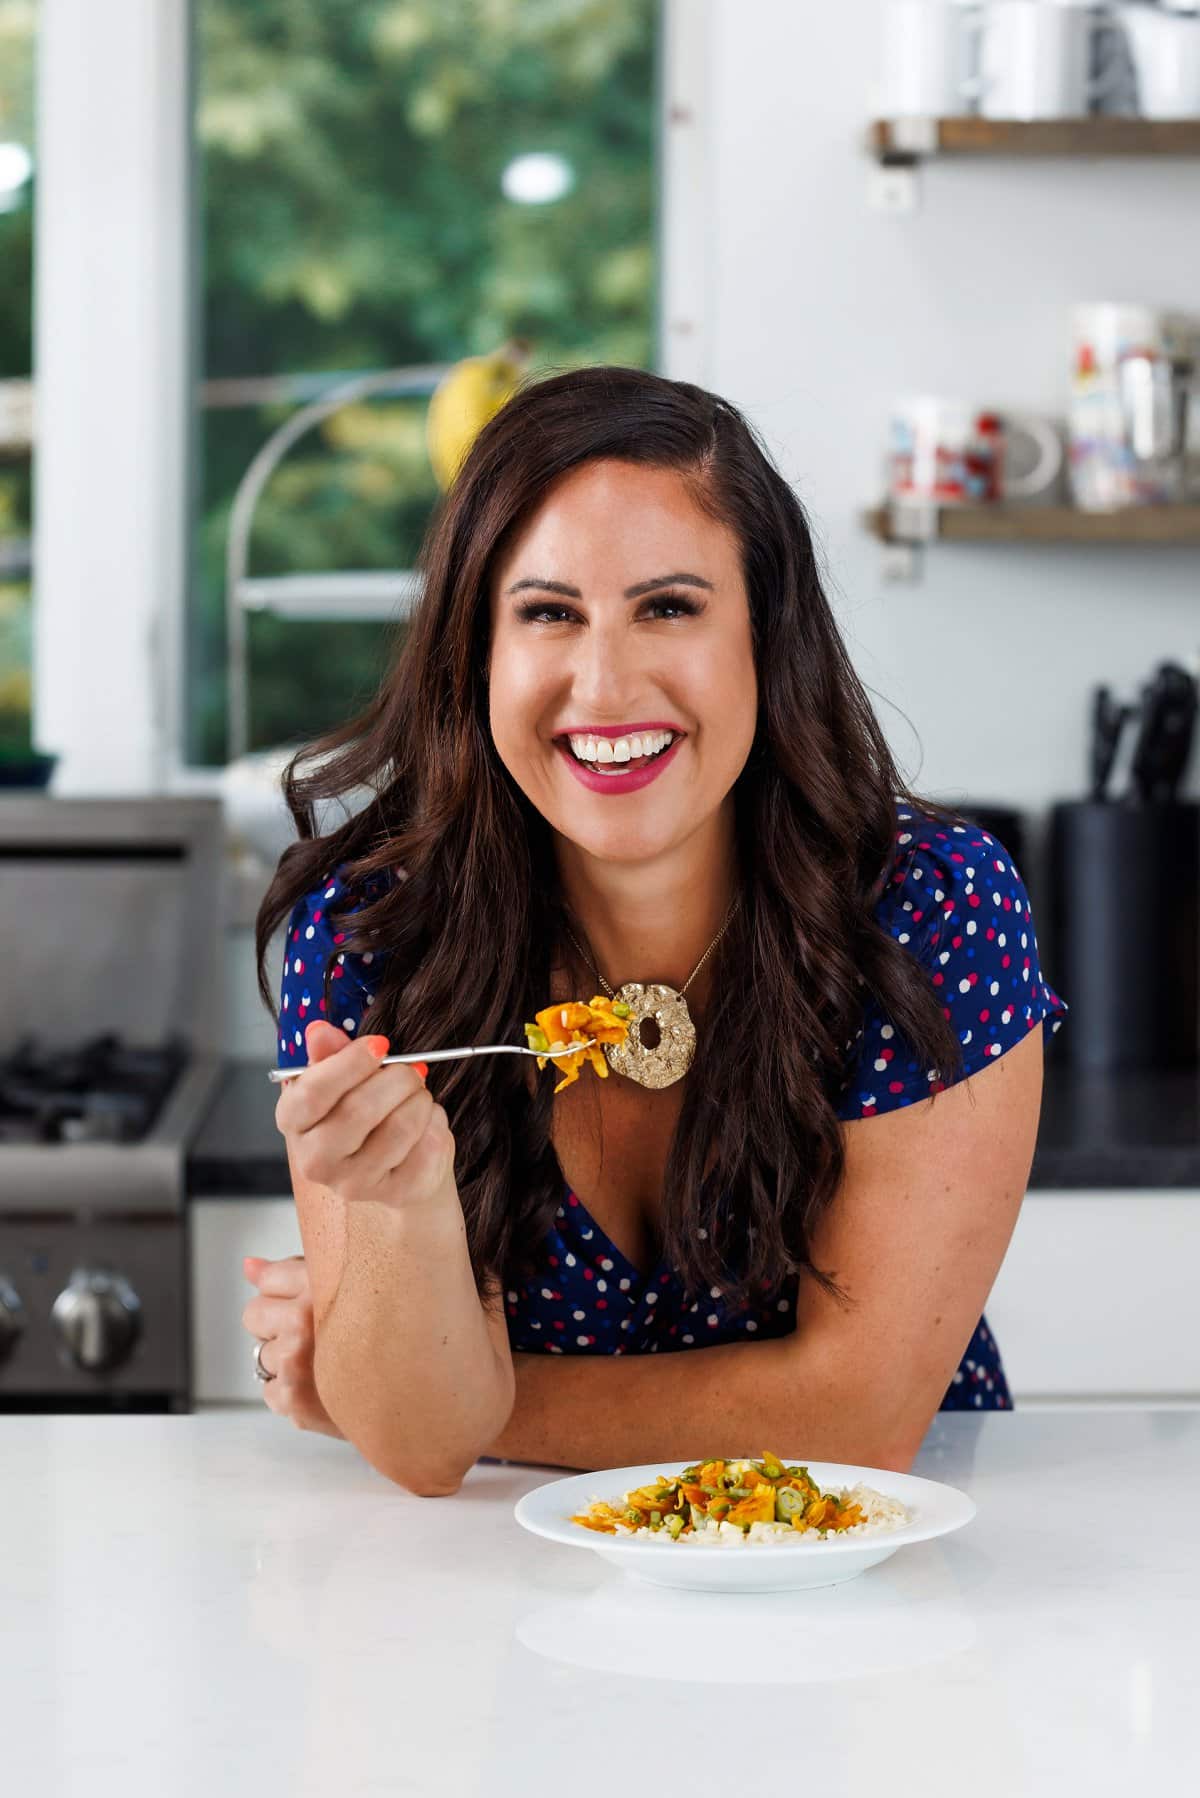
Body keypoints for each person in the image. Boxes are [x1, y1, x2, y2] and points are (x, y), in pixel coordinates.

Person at [242, 365, 1068, 1495]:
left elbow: (863, 1418)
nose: (606, 682)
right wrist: (404, 1209)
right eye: (547, 613)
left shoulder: (932, 910)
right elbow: (422, 1452)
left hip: (864, 1580)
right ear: (475, 652)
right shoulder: (374, 933)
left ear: (764, 639)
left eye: (668, 607)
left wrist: (446, 1385)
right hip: (504, 1610)